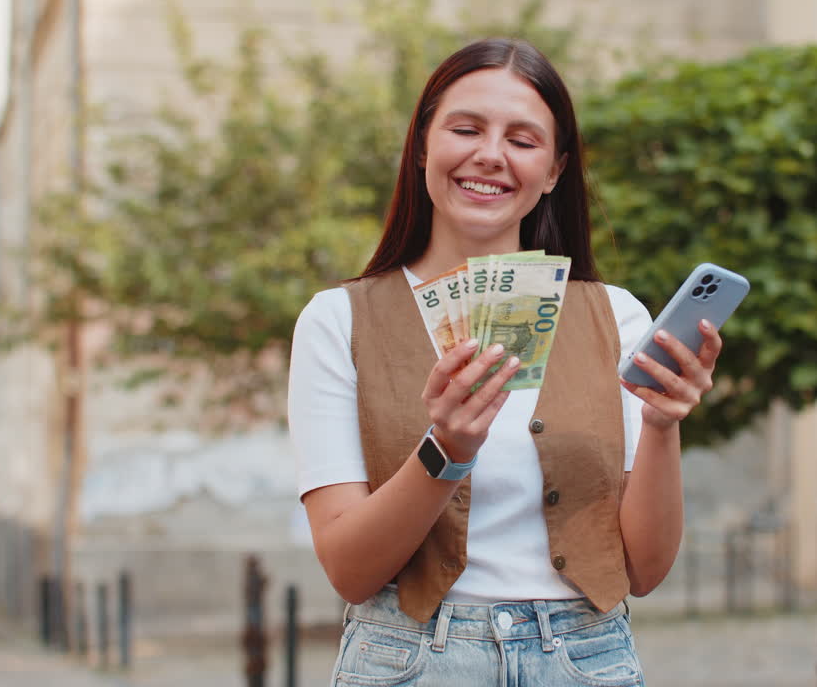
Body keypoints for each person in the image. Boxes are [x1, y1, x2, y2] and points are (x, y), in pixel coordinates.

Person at [289, 37, 723, 687]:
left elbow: (644, 570)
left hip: (586, 659)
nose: (490, 155)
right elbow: (349, 570)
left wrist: (662, 425)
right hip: (411, 662)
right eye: (466, 129)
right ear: (422, 148)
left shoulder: (617, 318)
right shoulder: (338, 321)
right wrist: (447, 450)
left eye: (523, 140)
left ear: (554, 170)